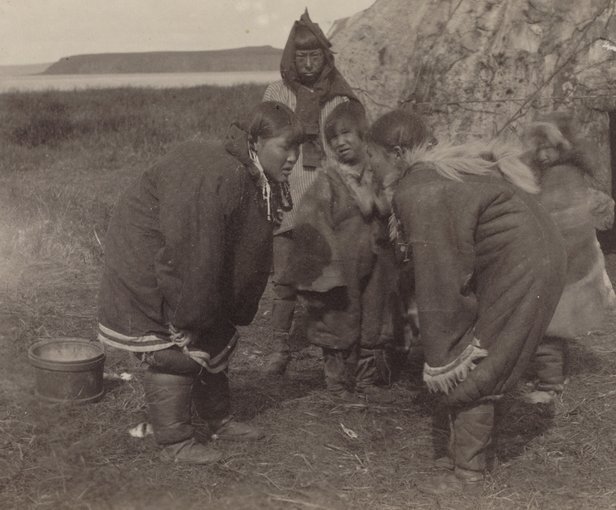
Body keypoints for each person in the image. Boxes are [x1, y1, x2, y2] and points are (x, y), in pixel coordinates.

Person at [366, 109, 567, 493]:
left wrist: (441, 349)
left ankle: (469, 474)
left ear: (394, 154)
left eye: (372, 157)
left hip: (524, 263)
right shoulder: (436, 177)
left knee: (475, 360)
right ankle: (465, 455)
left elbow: (440, 276)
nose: (369, 167)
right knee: (479, 349)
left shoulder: (419, 189)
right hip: (536, 253)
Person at [97, 101, 303, 464]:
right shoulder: (222, 174)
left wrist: (215, 308)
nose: (293, 158)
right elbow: (193, 253)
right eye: (285, 147)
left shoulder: (251, 174)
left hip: (179, 263)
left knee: (214, 330)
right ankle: (174, 442)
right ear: (255, 142)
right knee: (174, 348)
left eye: (297, 148)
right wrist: (186, 315)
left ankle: (217, 419)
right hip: (151, 265)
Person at [262, 9, 362, 375]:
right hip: (288, 195)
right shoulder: (276, 93)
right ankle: (279, 348)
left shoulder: (338, 97)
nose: (307, 63)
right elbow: (265, 141)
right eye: (300, 56)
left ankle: (331, 352)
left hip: (326, 198)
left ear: (325, 57)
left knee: (327, 275)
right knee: (284, 277)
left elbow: (348, 147)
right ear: (290, 57)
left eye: (314, 55)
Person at [282, 101, 396, 403]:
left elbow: (394, 210)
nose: (340, 142)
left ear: (363, 135)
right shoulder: (328, 182)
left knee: (372, 321)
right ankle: (337, 387)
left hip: (376, 265)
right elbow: (311, 223)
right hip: (341, 269)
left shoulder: (379, 177)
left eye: (346, 134)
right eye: (332, 137)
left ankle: (365, 380)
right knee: (337, 323)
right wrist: (326, 271)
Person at [522, 112, 616, 403]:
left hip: (560, 266)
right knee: (551, 327)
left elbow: (560, 221)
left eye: (546, 147)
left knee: (544, 327)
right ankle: (553, 375)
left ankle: (549, 386)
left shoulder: (560, 177)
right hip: (570, 264)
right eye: (537, 148)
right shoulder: (562, 174)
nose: (542, 154)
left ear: (559, 146)